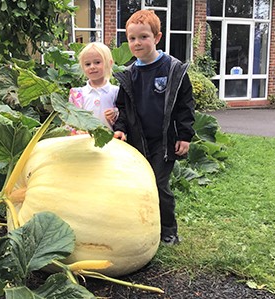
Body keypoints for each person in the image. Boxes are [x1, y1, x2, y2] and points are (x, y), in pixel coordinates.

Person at [112, 10, 195, 245]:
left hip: (164, 141)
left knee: (158, 184)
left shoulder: (173, 70)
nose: (137, 43)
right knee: (138, 185)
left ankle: (168, 230)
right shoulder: (129, 74)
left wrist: (185, 135)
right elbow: (122, 107)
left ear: (157, 38)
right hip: (138, 141)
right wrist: (120, 128)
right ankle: (144, 227)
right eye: (132, 39)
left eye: (143, 37)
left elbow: (185, 106)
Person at [69, 42, 119, 130]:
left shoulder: (116, 92)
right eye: (87, 64)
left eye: (97, 62)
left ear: (110, 63)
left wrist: (116, 113)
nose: (92, 67)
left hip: (111, 141)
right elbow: (70, 121)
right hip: (84, 140)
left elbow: (125, 116)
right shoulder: (77, 95)